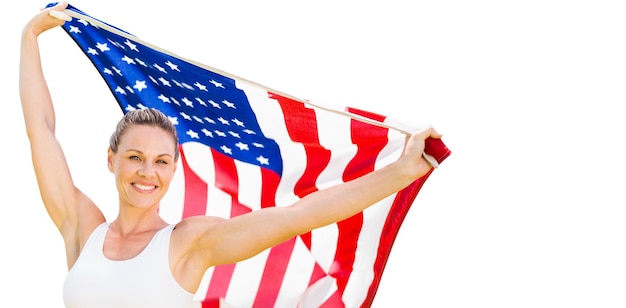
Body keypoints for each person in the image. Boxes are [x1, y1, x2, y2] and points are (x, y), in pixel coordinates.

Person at [20, 2, 442, 307]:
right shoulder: (82, 230)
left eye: (162, 161)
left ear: (174, 168)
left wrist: (401, 171)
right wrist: (30, 37)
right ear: (111, 160)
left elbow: (302, 215)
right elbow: (41, 129)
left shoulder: (189, 243)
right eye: (134, 157)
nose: (147, 172)